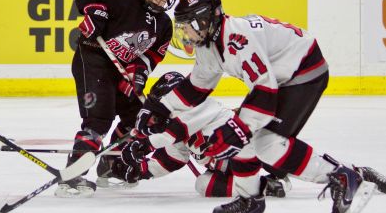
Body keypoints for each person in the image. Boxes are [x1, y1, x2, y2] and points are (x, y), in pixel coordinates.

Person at [131, 0, 386, 213]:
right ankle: (250, 200)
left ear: (205, 20)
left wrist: (239, 128)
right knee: (247, 139)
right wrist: (158, 109)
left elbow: (265, 91)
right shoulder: (209, 44)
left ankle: (342, 176)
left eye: (188, 25)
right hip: (280, 78)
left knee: (267, 144)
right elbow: (196, 88)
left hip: (303, 71)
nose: (186, 33)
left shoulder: (237, 38)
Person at [54, 0, 182, 198]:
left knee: (140, 117)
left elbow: (151, 56)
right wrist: (94, 13)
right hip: (92, 58)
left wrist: (138, 74)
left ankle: (110, 166)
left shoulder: (164, 25)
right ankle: (72, 176)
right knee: (99, 119)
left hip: (121, 70)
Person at [109, 72, 288, 198]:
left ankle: (289, 165)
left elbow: (178, 130)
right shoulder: (171, 127)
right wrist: (141, 171)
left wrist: (145, 144)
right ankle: (264, 187)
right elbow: (173, 158)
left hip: (247, 153)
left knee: (278, 159)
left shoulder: (202, 106)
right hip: (227, 168)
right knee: (203, 184)